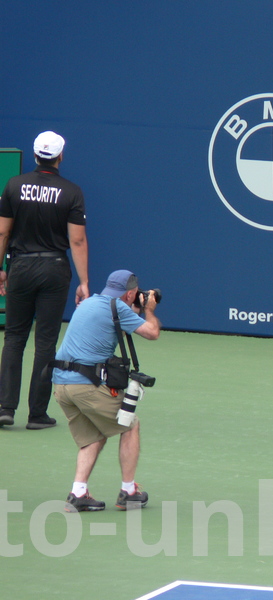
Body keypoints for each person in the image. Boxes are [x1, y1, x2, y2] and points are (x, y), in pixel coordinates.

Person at [0, 131, 89, 430]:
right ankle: (37, 414)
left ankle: (5, 408)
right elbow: (77, 241)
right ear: (60, 156)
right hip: (54, 270)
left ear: (36, 155)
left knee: (14, 337)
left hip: (21, 268)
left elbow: (3, 233)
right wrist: (84, 281)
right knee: (46, 342)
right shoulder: (72, 191)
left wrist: (1, 269)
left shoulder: (14, 185)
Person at [51, 269, 160, 512]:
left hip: (60, 385)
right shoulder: (119, 308)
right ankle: (128, 492)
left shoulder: (89, 303)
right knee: (130, 424)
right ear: (131, 293)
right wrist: (149, 309)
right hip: (85, 387)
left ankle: (78, 493)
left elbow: (117, 324)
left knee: (93, 436)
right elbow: (152, 333)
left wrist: (136, 308)